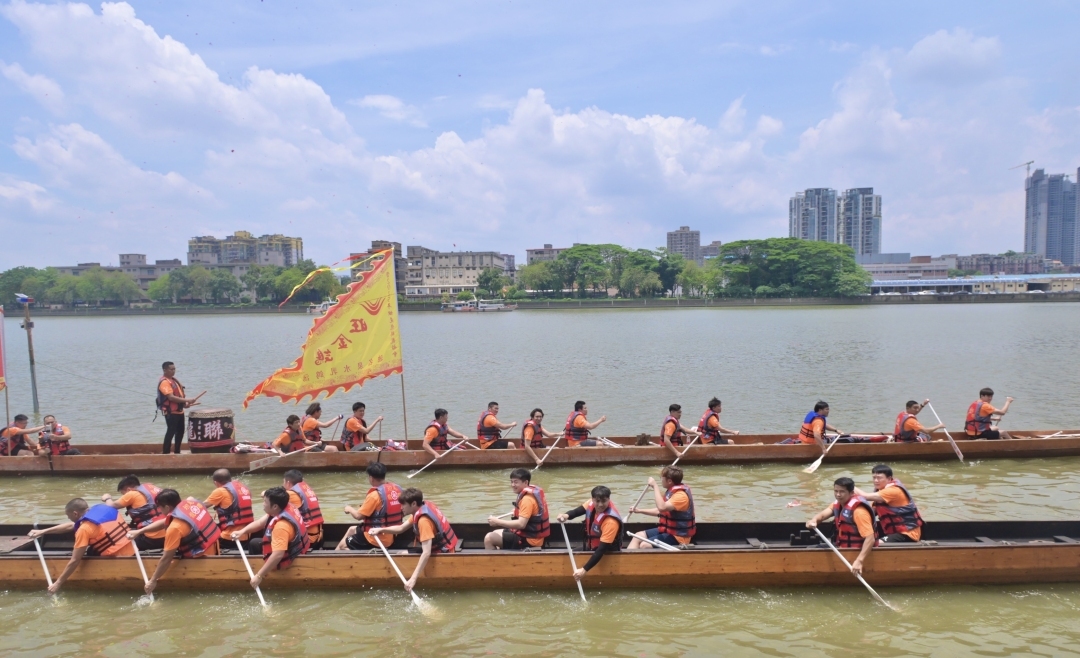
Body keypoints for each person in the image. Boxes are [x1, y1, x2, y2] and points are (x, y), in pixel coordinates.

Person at [27, 497, 134, 593]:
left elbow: (75, 560)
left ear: (75, 513)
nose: (68, 518)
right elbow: (71, 525)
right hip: (132, 549)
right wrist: (43, 531)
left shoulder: (84, 529)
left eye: (68, 516)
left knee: (87, 552)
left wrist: (58, 583)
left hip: (115, 558)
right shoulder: (103, 510)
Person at [129, 489, 222, 595]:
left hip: (200, 557)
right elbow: (165, 522)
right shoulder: (190, 503)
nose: (159, 510)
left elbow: (166, 559)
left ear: (167, 507)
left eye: (159, 507)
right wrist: (140, 531)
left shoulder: (174, 528)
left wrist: (153, 580)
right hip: (214, 547)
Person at [370, 487, 458, 593]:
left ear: (413, 504)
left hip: (444, 553)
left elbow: (426, 553)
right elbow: (401, 528)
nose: (401, 508)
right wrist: (380, 530)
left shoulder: (424, 521)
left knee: (402, 555)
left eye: (403, 505)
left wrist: (413, 579)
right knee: (401, 553)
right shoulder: (422, 507)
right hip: (443, 547)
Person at [229, 487, 310, 589]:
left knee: (256, 545)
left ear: (275, 506)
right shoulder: (284, 507)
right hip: (291, 545)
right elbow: (260, 523)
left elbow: (278, 555)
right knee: (254, 543)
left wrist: (259, 576)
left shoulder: (281, 526)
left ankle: (261, 571)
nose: (263, 504)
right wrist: (242, 531)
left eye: (265, 502)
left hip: (287, 555)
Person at [806, 477, 876, 576]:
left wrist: (859, 561)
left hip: (856, 550)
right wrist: (814, 520)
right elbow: (822, 516)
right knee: (809, 550)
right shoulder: (838, 503)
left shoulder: (859, 512)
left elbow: (870, 538)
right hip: (842, 546)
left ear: (851, 493)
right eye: (836, 491)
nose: (838, 495)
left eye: (842, 492)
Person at [555, 485, 621, 581]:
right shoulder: (590, 503)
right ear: (592, 499)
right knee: (570, 555)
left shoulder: (610, 522)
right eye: (597, 501)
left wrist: (584, 570)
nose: (600, 504)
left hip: (606, 552)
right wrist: (565, 515)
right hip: (592, 547)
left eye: (604, 501)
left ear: (609, 500)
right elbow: (577, 511)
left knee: (576, 560)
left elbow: (601, 550)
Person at [337, 462, 409, 550]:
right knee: (352, 529)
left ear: (371, 478)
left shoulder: (374, 495)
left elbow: (358, 516)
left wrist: (349, 509)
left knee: (342, 546)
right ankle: (332, 554)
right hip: (393, 534)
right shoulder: (398, 490)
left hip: (376, 538)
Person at [627, 466, 696, 549]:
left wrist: (655, 486)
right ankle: (628, 557)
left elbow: (661, 507)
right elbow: (659, 511)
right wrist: (639, 510)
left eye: (662, 478)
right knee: (637, 536)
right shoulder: (671, 492)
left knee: (645, 545)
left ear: (669, 481)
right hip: (668, 531)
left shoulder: (681, 496)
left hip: (679, 537)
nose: (661, 480)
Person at [855, 464, 924, 545]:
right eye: (874, 478)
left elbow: (864, 496)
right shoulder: (881, 491)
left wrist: (850, 486)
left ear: (889, 478)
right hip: (893, 532)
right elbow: (870, 512)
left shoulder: (894, 491)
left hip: (907, 534)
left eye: (879, 478)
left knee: (873, 544)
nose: (876, 481)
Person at [484, 468, 550, 550]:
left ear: (525, 482)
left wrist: (497, 522)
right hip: (528, 535)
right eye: (511, 482)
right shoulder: (529, 495)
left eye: (516, 482)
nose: (513, 485)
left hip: (530, 541)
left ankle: (494, 559)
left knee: (489, 538)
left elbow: (521, 524)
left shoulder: (527, 499)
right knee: (495, 532)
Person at [101, 475, 168, 550]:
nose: (124, 496)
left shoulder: (132, 493)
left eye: (123, 494)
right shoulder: (152, 488)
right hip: (168, 535)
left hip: (152, 538)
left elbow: (111, 505)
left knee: (115, 540)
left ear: (128, 489)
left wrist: (107, 498)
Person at [158, 361, 201, 454]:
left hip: (179, 411)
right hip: (171, 412)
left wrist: (185, 404)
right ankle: (166, 453)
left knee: (180, 432)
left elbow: (179, 396)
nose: (173, 371)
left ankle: (177, 451)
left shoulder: (174, 381)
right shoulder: (164, 382)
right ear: (165, 370)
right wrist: (188, 400)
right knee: (171, 432)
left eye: (174, 369)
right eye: (171, 369)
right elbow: (171, 397)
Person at [203, 469, 255, 541]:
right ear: (230, 479)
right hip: (247, 534)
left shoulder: (220, 491)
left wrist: (192, 501)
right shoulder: (244, 488)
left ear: (215, 483)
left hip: (230, 537)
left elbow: (202, 506)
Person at [284, 469, 324, 549]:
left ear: (288, 483)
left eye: (283, 482)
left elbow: (272, 499)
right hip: (318, 538)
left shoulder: (291, 494)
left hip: (307, 540)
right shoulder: (308, 492)